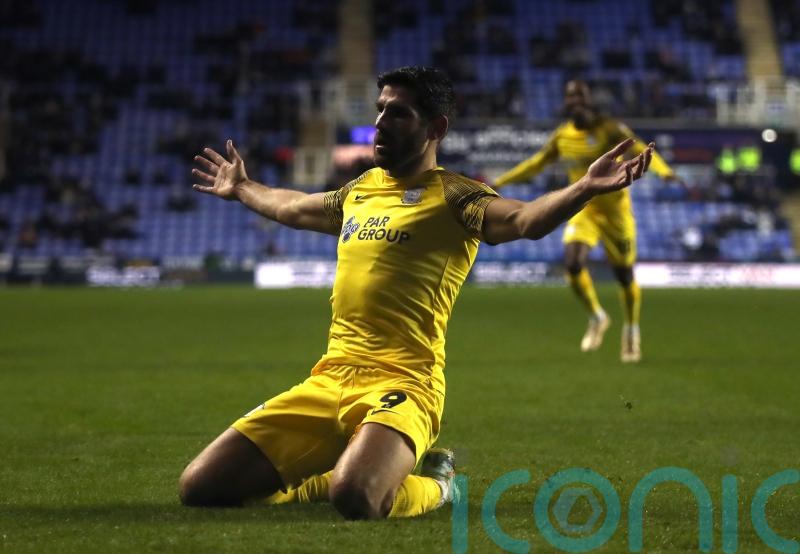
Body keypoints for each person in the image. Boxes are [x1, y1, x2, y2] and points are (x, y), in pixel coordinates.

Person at [180, 67, 653, 519]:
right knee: (200, 487)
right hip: (329, 378)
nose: (380, 123)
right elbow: (294, 207)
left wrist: (586, 188)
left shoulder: (456, 196)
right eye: (380, 109)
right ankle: (326, 477)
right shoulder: (360, 191)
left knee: (358, 498)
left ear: (436, 127)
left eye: (398, 113)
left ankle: (439, 484)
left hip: (405, 383)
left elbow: (524, 220)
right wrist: (242, 187)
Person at [493, 79, 677, 363]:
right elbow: (536, 163)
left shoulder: (610, 129)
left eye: (579, 94)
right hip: (585, 211)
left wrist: (663, 171)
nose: (575, 99)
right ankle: (597, 317)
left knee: (624, 276)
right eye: (570, 95)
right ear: (566, 102)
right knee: (573, 262)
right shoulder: (562, 136)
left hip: (616, 214)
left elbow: (641, 147)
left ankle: (631, 331)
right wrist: (500, 181)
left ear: (589, 98)